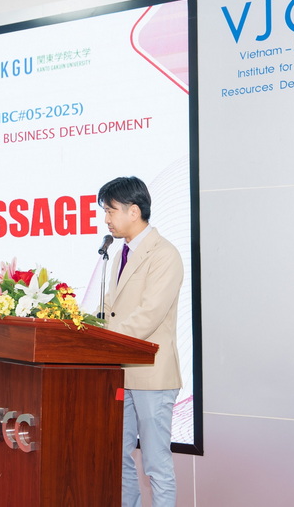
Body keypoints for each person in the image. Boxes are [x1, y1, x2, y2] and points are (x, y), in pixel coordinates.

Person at [98, 176, 183, 507]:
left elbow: (149, 315)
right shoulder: (120, 253)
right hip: (121, 373)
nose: (106, 219)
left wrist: (106, 340)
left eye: (111, 211)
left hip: (151, 375)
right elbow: (111, 310)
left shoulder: (164, 255)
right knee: (116, 456)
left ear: (133, 211)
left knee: (156, 463)